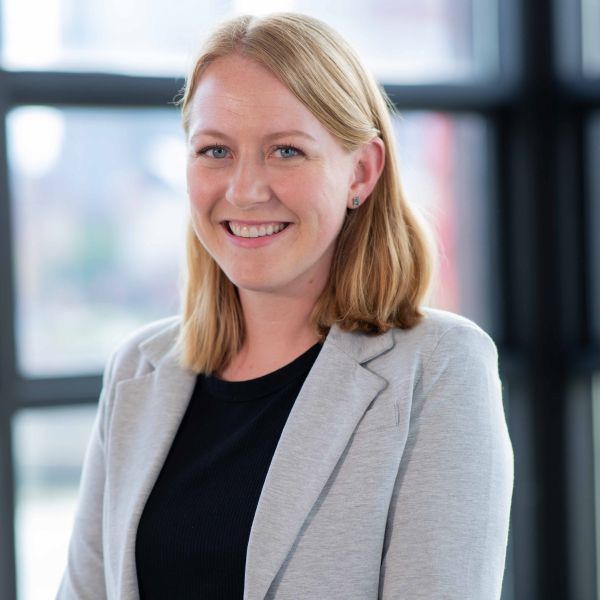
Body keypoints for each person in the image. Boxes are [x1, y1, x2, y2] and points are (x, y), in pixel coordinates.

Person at [57, 12, 514, 600]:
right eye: (215, 149)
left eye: (286, 152)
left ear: (362, 171)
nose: (245, 190)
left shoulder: (440, 369)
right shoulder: (137, 370)